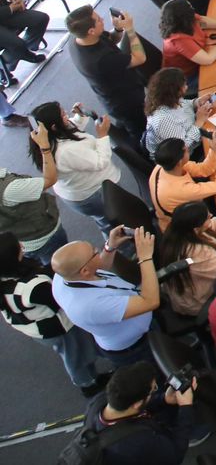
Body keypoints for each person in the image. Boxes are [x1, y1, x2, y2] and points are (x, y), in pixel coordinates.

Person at [0, 231, 101, 395]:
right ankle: (87, 384)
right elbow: (60, 301)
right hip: (55, 328)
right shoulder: (32, 288)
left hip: (31, 324)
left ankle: (90, 377)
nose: (23, 246)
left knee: (75, 351)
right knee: (75, 355)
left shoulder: (7, 276)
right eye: (18, 246)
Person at [51, 226, 158, 364]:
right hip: (135, 346)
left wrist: (110, 247)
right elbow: (150, 301)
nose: (98, 250)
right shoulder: (88, 306)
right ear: (84, 271)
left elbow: (97, 269)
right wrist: (145, 257)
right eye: (94, 252)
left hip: (136, 321)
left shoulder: (65, 275)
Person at [67, 6, 158, 139]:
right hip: (126, 102)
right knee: (143, 132)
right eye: (99, 20)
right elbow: (140, 58)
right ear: (91, 31)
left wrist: (118, 29)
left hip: (115, 91)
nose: (102, 19)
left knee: (130, 124)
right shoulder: (100, 60)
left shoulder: (79, 37)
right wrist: (130, 29)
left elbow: (110, 39)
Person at [79, 360, 196, 464]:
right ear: (137, 403)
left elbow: (136, 406)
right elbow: (175, 455)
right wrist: (185, 407)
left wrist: (164, 399)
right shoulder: (138, 442)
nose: (155, 390)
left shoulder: (99, 402)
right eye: (153, 390)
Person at [28, 102, 118, 234]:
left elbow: (70, 131)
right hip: (92, 194)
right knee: (112, 221)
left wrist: (79, 116)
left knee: (104, 221)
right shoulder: (66, 152)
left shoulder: (47, 138)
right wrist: (102, 136)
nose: (67, 115)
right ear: (54, 127)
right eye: (63, 115)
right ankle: (121, 244)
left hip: (76, 192)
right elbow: (100, 162)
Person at [2, 120, 66, 260]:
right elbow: (50, 179)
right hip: (44, 237)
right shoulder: (9, 190)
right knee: (64, 262)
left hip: (23, 240)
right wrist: (44, 146)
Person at [149, 135, 216, 228]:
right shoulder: (180, 190)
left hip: (188, 207)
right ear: (179, 162)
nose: (187, 147)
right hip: (187, 226)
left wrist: (214, 149)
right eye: (185, 150)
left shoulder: (165, 165)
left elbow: (203, 170)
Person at [158, 0, 216, 84]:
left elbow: (201, 22)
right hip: (188, 78)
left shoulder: (181, 20)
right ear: (185, 16)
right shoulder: (178, 40)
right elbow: (208, 59)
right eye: (190, 8)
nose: (193, 9)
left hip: (198, 61)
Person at [141, 67, 201, 158]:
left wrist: (196, 102)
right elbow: (182, 148)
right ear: (174, 91)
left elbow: (183, 104)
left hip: (194, 132)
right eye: (184, 85)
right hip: (184, 158)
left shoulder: (166, 98)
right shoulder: (163, 120)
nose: (186, 87)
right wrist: (199, 122)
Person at [0, 0, 47, 77]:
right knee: (17, 44)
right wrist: (10, 9)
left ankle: (24, 51)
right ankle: (3, 69)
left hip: (4, 12)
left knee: (41, 19)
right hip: (5, 11)